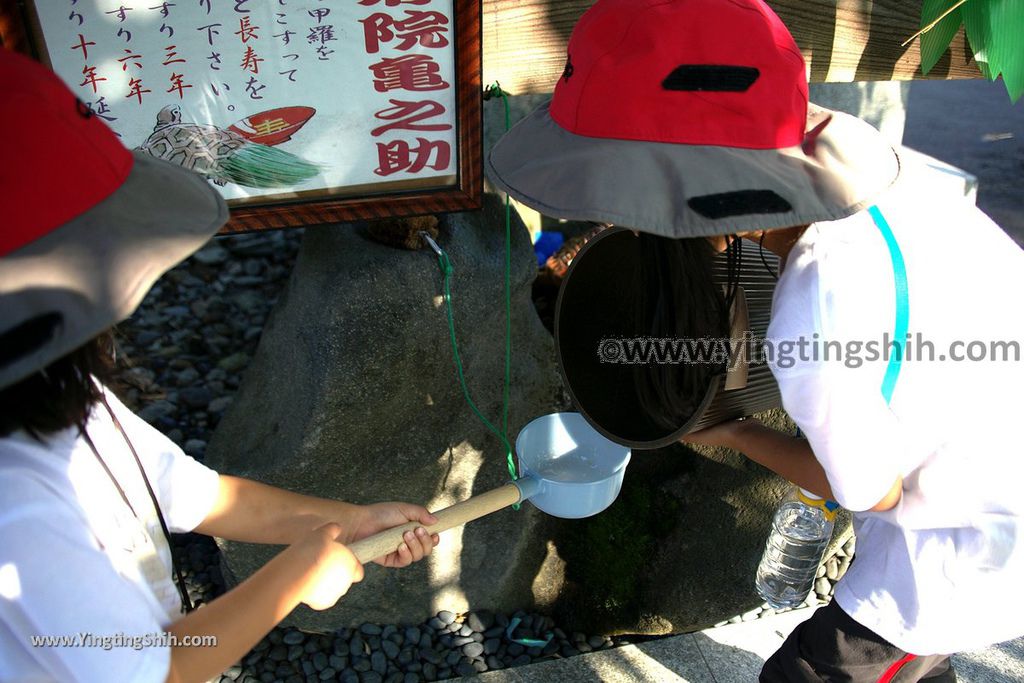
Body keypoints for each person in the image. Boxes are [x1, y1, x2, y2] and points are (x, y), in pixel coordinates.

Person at [486, 0, 1024, 680]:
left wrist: (735, 433)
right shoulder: (875, 180)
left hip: (975, 546)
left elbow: (870, 491)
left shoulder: (814, 327)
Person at [0, 49, 439, 683]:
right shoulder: (16, 504)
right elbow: (151, 669)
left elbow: (195, 494)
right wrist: (290, 580)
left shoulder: (54, 386)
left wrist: (345, 519)